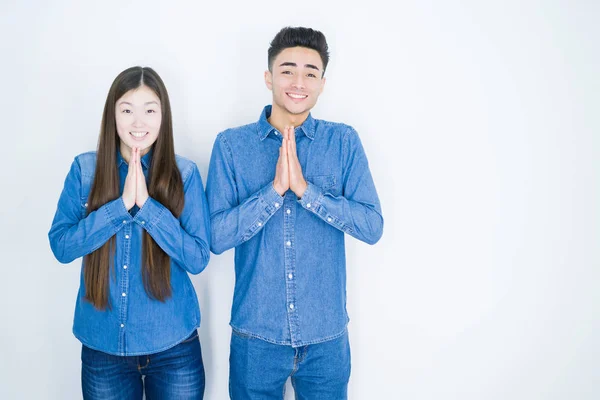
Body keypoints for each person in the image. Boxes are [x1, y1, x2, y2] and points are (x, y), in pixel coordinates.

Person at [206, 27, 384, 399]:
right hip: (256, 336)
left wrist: (306, 191)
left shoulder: (343, 142)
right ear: (269, 77)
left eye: (311, 72)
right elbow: (216, 237)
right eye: (287, 70)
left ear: (322, 83)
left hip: (327, 338)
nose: (298, 81)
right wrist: (274, 192)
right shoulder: (231, 146)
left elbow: (371, 226)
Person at [49, 66, 210, 399]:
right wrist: (119, 208)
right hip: (103, 349)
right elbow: (61, 246)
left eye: (150, 110)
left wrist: (147, 209)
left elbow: (198, 258)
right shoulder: (85, 171)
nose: (139, 122)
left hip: (174, 349)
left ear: (163, 116)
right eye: (127, 110)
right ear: (113, 115)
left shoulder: (185, 174)